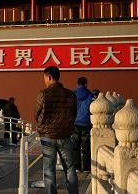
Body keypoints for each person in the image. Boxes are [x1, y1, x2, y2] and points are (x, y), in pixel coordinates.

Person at [35, 66, 78, 194]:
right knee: (70, 168)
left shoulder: (42, 94)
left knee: (49, 170)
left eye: (44, 78)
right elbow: (73, 114)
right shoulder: (70, 94)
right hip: (65, 135)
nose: (44, 80)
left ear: (49, 77)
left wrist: (42, 128)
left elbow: (36, 114)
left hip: (47, 136)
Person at [72, 77, 94, 172]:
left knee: (75, 146)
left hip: (75, 123)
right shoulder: (90, 95)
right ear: (86, 84)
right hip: (87, 123)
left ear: (77, 84)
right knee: (86, 146)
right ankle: (86, 167)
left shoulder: (73, 94)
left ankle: (76, 167)